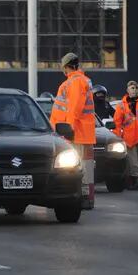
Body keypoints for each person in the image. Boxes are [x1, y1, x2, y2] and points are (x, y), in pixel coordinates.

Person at [49, 52, 96, 209]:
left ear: (65, 67)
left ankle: (83, 198)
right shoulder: (79, 81)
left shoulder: (75, 82)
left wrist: (68, 128)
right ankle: (85, 197)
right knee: (83, 165)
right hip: (80, 132)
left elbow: (75, 108)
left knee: (79, 166)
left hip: (76, 133)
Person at [113, 80, 138, 191]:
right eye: (132, 88)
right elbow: (117, 122)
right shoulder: (121, 105)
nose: (135, 90)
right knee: (133, 161)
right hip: (129, 137)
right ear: (127, 90)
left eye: (136, 88)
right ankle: (135, 182)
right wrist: (117, 137)